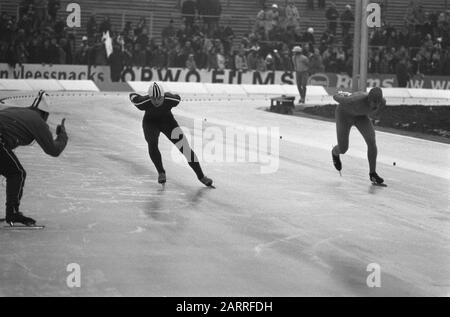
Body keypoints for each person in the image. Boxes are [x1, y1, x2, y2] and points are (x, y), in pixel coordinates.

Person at [0, 90, 68, 226]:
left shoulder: (17, 111)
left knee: (9, 169)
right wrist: (63, 136)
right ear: (45, 113)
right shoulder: (38, 121)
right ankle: (12, 213)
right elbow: (53, 150)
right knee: (16, 173)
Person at [129, 82, 213, 187]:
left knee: (185, 148)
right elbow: (132, 96)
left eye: (159, 98)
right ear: (149, 97)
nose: (156, 101)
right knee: (152, 143)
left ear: (164, 96)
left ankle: (201, 177)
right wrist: (139, 97)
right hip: (150, 124)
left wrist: (169, 93)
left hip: (168, 122)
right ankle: (161, 172)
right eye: (153, 99)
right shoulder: (143, 103)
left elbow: (177, 96)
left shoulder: (171, 100)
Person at [331, 87, 386, 185]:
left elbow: (376, 114)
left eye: (378, 103)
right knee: (343, 148)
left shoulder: (382, 102)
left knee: (371, 140)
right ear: (368, 99)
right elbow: (335, 96)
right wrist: (341, 94)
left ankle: (373, 173)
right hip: (344, 115)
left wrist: (375, 113)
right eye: (374, 102)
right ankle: (335, 152)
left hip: (360, 117)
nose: (375, 105)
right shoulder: (354, 100)